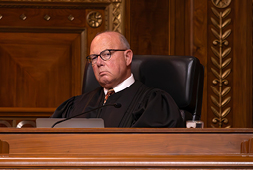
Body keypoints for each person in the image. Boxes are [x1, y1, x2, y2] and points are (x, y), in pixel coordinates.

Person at [51, 31, 184, 127]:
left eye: (106, 54)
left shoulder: (153, 103)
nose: (98, 63)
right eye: (93, 57)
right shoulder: (76, 105)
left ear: (127, 57)